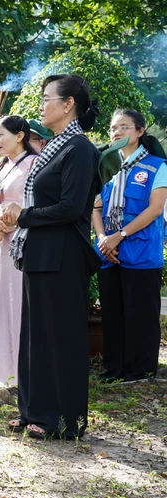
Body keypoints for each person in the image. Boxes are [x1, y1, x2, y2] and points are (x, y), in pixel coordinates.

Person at [1, 73, 101, 440]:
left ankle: (63, 418)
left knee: (62, 338)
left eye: (47, 98)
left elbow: (72, 208)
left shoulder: (80, 148)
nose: (41, 105)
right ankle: (33, 411)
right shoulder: (56, 145)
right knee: (36, 336)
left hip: (63, 254)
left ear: (68, 104)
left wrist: (22, 215)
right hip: (39, 253)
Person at [92, 109, 167, 384]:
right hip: (108, 252)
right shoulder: (106, 168)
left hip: (141, 252)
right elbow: (96, 207)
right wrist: (103, 238)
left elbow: (155, 209)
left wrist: (119, 235)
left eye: (124, 127)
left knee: (141, 315)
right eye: (113, 128)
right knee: (112, 313)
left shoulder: (158, 166)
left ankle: (140, 372)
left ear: (139, 131)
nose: (117, 133)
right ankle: (114, 369)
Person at [0, 116, 37, 386]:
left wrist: (11, 219)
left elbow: (35, 201)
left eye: (1, 135)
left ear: (20, 136)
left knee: (18, 304)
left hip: (23, 241)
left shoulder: (35, 164)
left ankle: (22, 372)